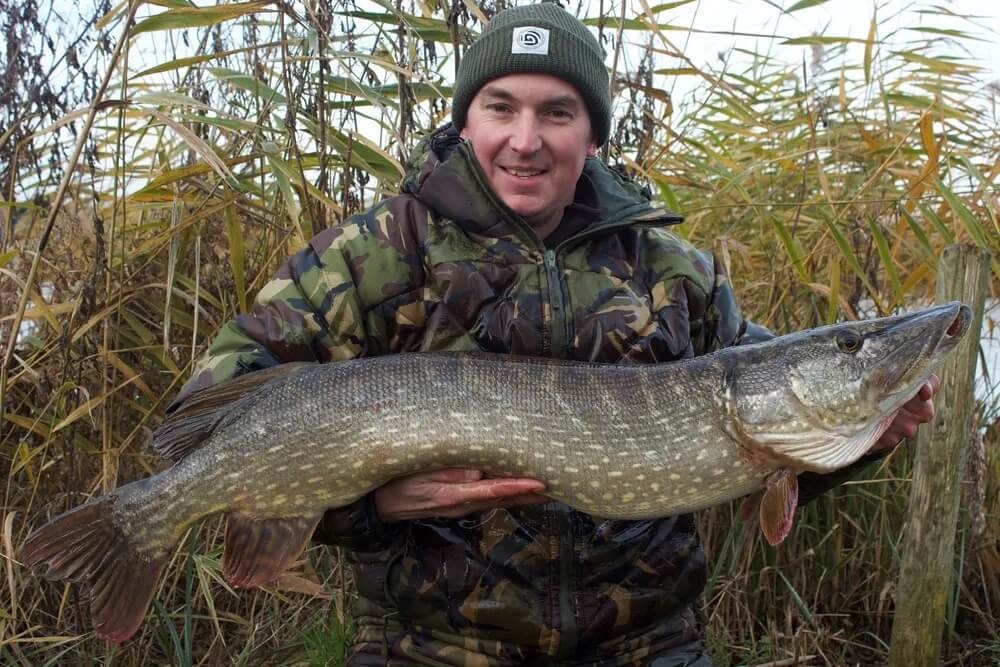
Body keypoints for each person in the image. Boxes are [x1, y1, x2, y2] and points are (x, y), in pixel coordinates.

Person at [170, 4, 938, 665]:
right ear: (465, 119)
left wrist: (869, 435)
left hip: (647, 641)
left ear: (594, 134)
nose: (525, 139)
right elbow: (205, 415)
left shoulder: (675, 272)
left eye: (558, 113)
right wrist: (373, 504)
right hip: (432, 643)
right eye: (501, 107)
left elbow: (780, 435)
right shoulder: (375, 253)